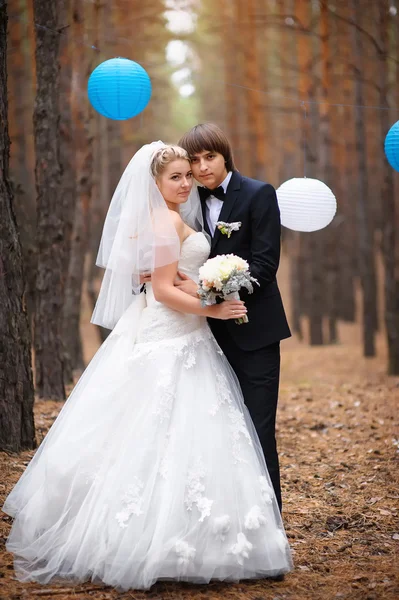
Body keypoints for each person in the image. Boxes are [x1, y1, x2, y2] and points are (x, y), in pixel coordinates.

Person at [3, 143, 292, 591]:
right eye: (175, 176)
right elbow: (159, 291)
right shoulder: (162, 221)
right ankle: (145, 538)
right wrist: (210, 308)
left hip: (191, 334)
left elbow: (175, 275)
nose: (185, 182)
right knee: (157, 430)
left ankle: (204, 535)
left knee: (198, 434)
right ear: (154, 183)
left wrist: (193, 287)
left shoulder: (179, 219)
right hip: (171, 333)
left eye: (187, 175)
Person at [178, 124, 291, 512]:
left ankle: (269, 527)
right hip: (204, 335)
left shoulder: (259, 194)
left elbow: (264, 264)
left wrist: (218, 292)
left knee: (258, 430)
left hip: (254, 331)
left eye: (209, 156)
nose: (202, 167)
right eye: (194, 161)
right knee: (216, 432)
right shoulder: (186, 201)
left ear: (225, 155)